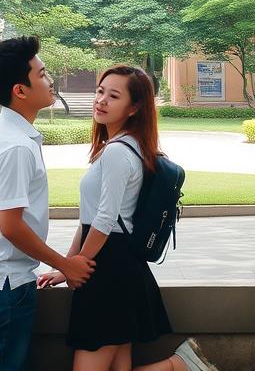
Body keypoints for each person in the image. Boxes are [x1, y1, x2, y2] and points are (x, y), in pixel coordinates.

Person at [37, 65, 217, 371]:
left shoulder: (117, 152)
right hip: (117, 267)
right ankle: (178, 364)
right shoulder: (129, 146)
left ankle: (177, 365)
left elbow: (104, 220)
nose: (101, 100)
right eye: (100, 91)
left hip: (107, 271)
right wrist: (66, 265)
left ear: (134, 107)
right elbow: (90, 218)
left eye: (113, 95)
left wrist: (75, 265)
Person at [0, 35, 96, 371]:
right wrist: (65, 264)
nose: (50, 81)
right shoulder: (15, 146)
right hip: (3, 285)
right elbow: (11, 226)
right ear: (19, 90)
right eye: (42, 74)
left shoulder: (9, 132)